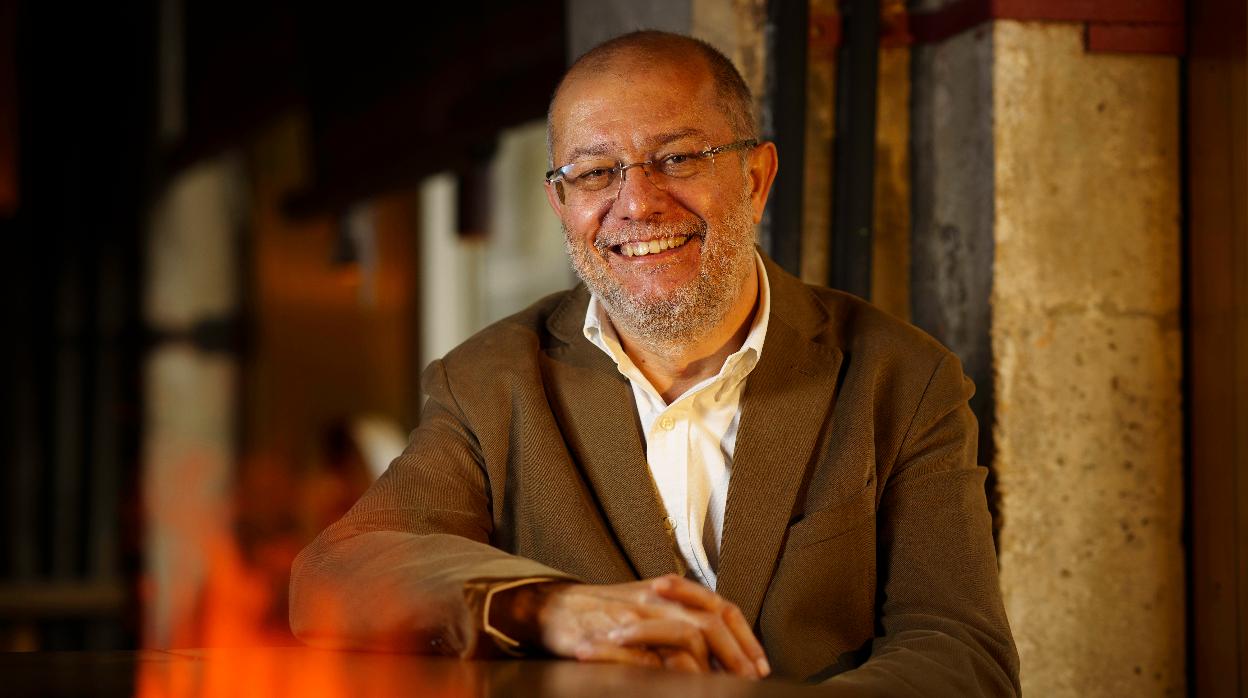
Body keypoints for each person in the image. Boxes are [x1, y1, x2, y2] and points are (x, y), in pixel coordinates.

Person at [290, 30, 1020, 695]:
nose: (636, 202)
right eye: (595, 171)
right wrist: (548, 609)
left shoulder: (902, 378)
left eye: (678, 158)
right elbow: (334, 574)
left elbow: (962, 652)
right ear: (559, 201)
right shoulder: (489, 380)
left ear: (757, 178)